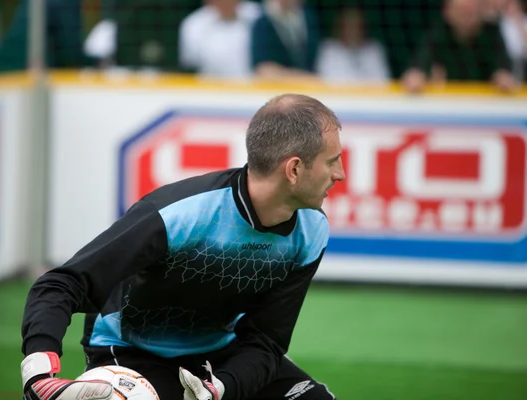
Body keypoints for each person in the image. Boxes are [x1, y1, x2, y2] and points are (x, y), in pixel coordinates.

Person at [20, 93, 345, 400]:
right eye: (332, 161)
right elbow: (63, 283)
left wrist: (222, 388)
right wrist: (38, 368)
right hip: (134, 354)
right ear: (294, 169)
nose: (340, 174)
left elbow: (266, 340)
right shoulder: (177, 215)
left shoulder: (311, 230)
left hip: (221, 359)